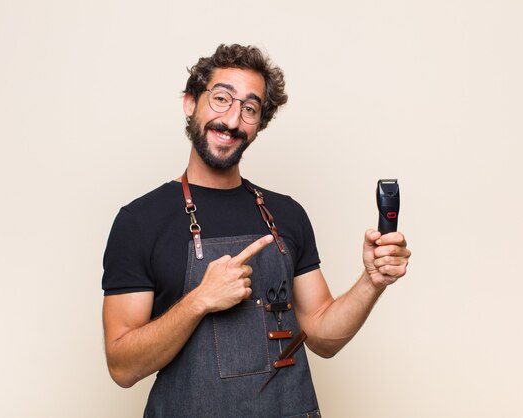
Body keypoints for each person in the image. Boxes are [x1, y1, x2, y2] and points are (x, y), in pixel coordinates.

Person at [102, 44, 411, 417]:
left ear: (259, 125)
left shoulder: (287, 214)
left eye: (249, 109)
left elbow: (323, 337)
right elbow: (122, 366)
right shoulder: (140, 221)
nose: (232, 120)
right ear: (189, 103)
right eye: (221, 99)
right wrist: (201, 300)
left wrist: (372, 281)